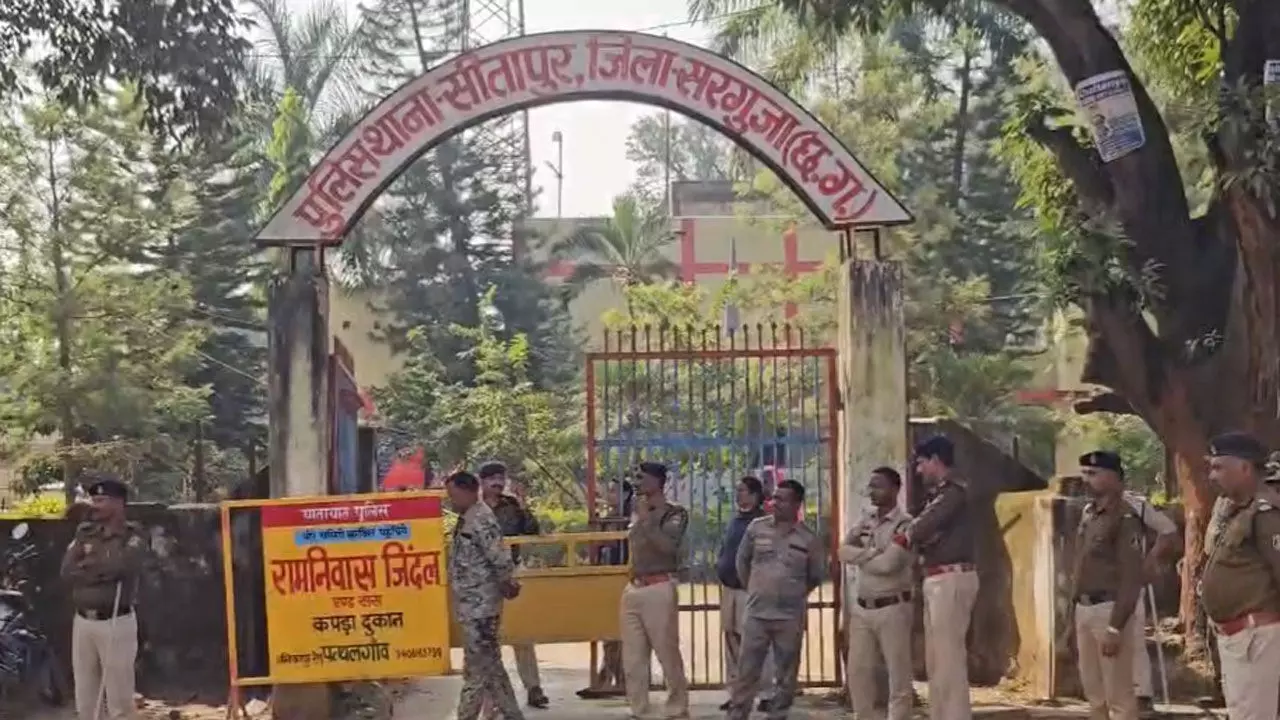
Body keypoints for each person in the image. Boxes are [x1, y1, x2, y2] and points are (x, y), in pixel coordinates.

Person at [724, 479, 823, 720]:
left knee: (786, 673)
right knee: (746, 670)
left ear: (797, 504)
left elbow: (815, 575)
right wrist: (755, 588)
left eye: (782, 499)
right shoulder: (757, 528)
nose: (775, 503)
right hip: (757, 614)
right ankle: (738, 713)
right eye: (774, 497)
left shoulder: (808, 538)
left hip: (789, 617)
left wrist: (792, 593)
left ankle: (778, 714)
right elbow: (742, 562)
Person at [894, 435, 978, 720]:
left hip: (950, 578)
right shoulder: (939, 494)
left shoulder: (953, 493)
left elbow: (918, 529)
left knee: (949, 660)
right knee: (937, 661)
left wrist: (910, 535)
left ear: (935, 460)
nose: (918, 470)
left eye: (921, 463)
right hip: (937, 579)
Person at [1199, 432, 1280, 720]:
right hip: (1235, 638)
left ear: (1245, 468)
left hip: (1257, 638)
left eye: (1219, 467)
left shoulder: (1266, 513)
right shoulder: (1234, 511)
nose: (1212, 476)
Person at [60, 473, 149, 720]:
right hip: (83, 622)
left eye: (101, 501)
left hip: (115, 622)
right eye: (94, 500)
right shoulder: (85, 532)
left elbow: (122, 567)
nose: (94, 506)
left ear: (118, 503)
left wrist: (87, 567)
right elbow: (66, 571)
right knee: (86, 699)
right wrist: (99, 570)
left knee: (119, 701)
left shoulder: (133, 535)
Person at [1066, 451, 1144, 720]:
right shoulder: (1089, 513)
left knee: (1118, 696)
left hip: (1108, 610)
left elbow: (1131, 576)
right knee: (1094, 695)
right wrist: (1072, 613)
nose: (1086, 479)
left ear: (1113, 478)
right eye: (1084, 473)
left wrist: (1115, 627)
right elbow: (1080, 567)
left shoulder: (1124, 518)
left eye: (1093, 474)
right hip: (1084, 608)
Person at [445, 470, 526, 720]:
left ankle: (466, 715)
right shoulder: (468, 518)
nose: (451, 501)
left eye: (453, 495)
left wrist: (507, 583)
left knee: (477, 669)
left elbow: (499, 558)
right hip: (472, 605)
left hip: (481, 607)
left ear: (468, 491)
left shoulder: (481, 519)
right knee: (491, 667)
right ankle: (512, 714)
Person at [840, 467, 914, 720]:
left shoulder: (905, 524)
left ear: (895, 489)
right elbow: (842, 551)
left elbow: (888, 565)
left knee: (898, 673)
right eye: (870, 486)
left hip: (893, 606)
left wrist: (859, 558)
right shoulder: (866, 520)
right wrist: (872, 554)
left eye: (878, 486)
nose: (872, 491)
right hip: (863, 608)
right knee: (858, 671)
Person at [620, 462, 691, 720]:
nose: (637, 482)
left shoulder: (674, 513)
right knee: (633, 656)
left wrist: (647, 520)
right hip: (634, 587)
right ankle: (638, 708)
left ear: (657, 481)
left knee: (666, 651)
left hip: (659, 586)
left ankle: (677, 706)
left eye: (642, 477)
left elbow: (668, 548)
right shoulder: (636, 510)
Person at [478, 461, 549, 710]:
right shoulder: (472, 508)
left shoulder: (512, 506)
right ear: (482, 481)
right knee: (488, 636)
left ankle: (533, 687)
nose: (497, 483)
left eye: (501, 478)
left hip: (513, 570)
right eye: (492, 478)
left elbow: (533, 531)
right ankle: (491, 696)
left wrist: (523, 504)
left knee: (523, 632)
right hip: (483, 576)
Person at [716, 476, 778, 712]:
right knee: (731, 641)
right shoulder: (735, 521)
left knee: (757, 642)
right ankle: (736, 693)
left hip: (750, 590)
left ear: (754, 495)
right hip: (730, 589)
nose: (738, 494)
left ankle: (766, 693)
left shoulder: (763, 523)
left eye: (742, 490)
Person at [1120, 486, 1179, 712]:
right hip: (1099, 586)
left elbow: (1168, 529)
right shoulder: (1090, 509)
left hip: (1129, 582)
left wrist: (1151, 558)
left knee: (1133, 637)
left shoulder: (1135, 504)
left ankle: (1141, 694)